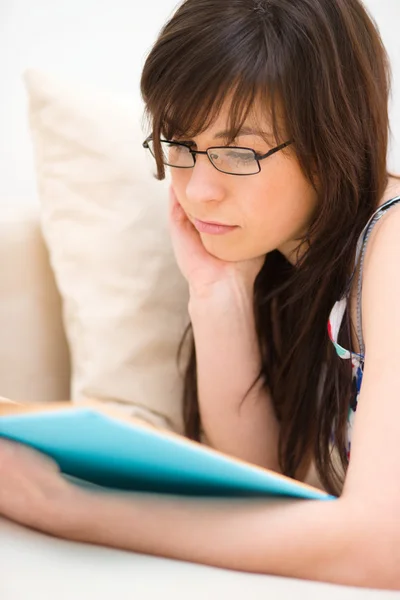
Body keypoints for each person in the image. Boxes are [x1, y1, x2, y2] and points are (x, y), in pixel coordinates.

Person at [0, 0, 399, 590]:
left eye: (238, 152)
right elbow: (260, 482)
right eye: (180, 144)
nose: (199, 189)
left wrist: (75, 512)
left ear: (332, 136)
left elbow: (381, 547)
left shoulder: (391, 246)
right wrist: (218, 294)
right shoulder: (291, 262)